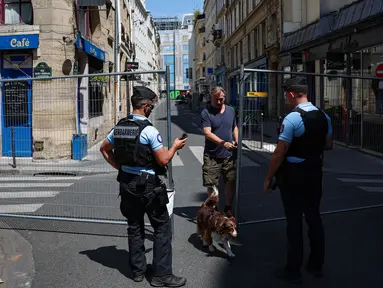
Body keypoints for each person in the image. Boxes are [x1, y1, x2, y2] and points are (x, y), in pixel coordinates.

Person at [100, 86, 187, 287]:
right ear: (146, 106)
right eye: (151, 106)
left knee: (134, 226)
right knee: (162, 227)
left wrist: (120, 168)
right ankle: (161, 275)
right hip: (147, 186)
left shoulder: (120, 127)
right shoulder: (149, 130)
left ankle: (138, 271)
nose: (152, 109)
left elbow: (104, 149)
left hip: (126, 183)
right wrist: (175, 146)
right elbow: (163, 160)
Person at [263, 77, 333, 283]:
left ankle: (293, 269)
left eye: (286, 94)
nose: (286, 98)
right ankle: (316, 264)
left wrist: (268, 177)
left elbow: (279, 152)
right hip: (314, 171)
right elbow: (328, 145)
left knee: (294, 221)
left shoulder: (292, 118)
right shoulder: (324, 116)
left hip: (293, 174)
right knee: (314, 217)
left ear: (292, 94)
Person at [201, 87, 238, 218]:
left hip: (228, 156)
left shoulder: (231, 110)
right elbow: (207, 132)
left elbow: (234, 127)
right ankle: (214, 210)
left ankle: (228, 207)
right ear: (211, 97)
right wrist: (223, 143)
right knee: (212, 184)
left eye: (221, 99)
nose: (219, 101)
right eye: (216, 99)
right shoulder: (206, 112)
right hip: (212, 156)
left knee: (230, 181)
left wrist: (236, 140)